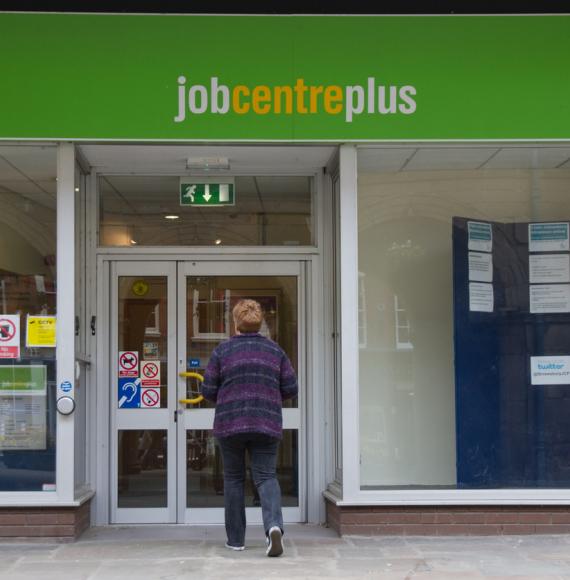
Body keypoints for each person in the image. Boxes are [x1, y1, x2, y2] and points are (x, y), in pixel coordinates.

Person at [202, 299, 298, 557]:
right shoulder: (275, 351)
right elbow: (291, 388)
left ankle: (235, 540)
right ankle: (274, 527)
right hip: (266, 422)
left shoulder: (222, 351)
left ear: (235, 322)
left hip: (230, 423)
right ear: (260, 322)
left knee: (233, 479)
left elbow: (208, 390)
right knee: (266, 476)